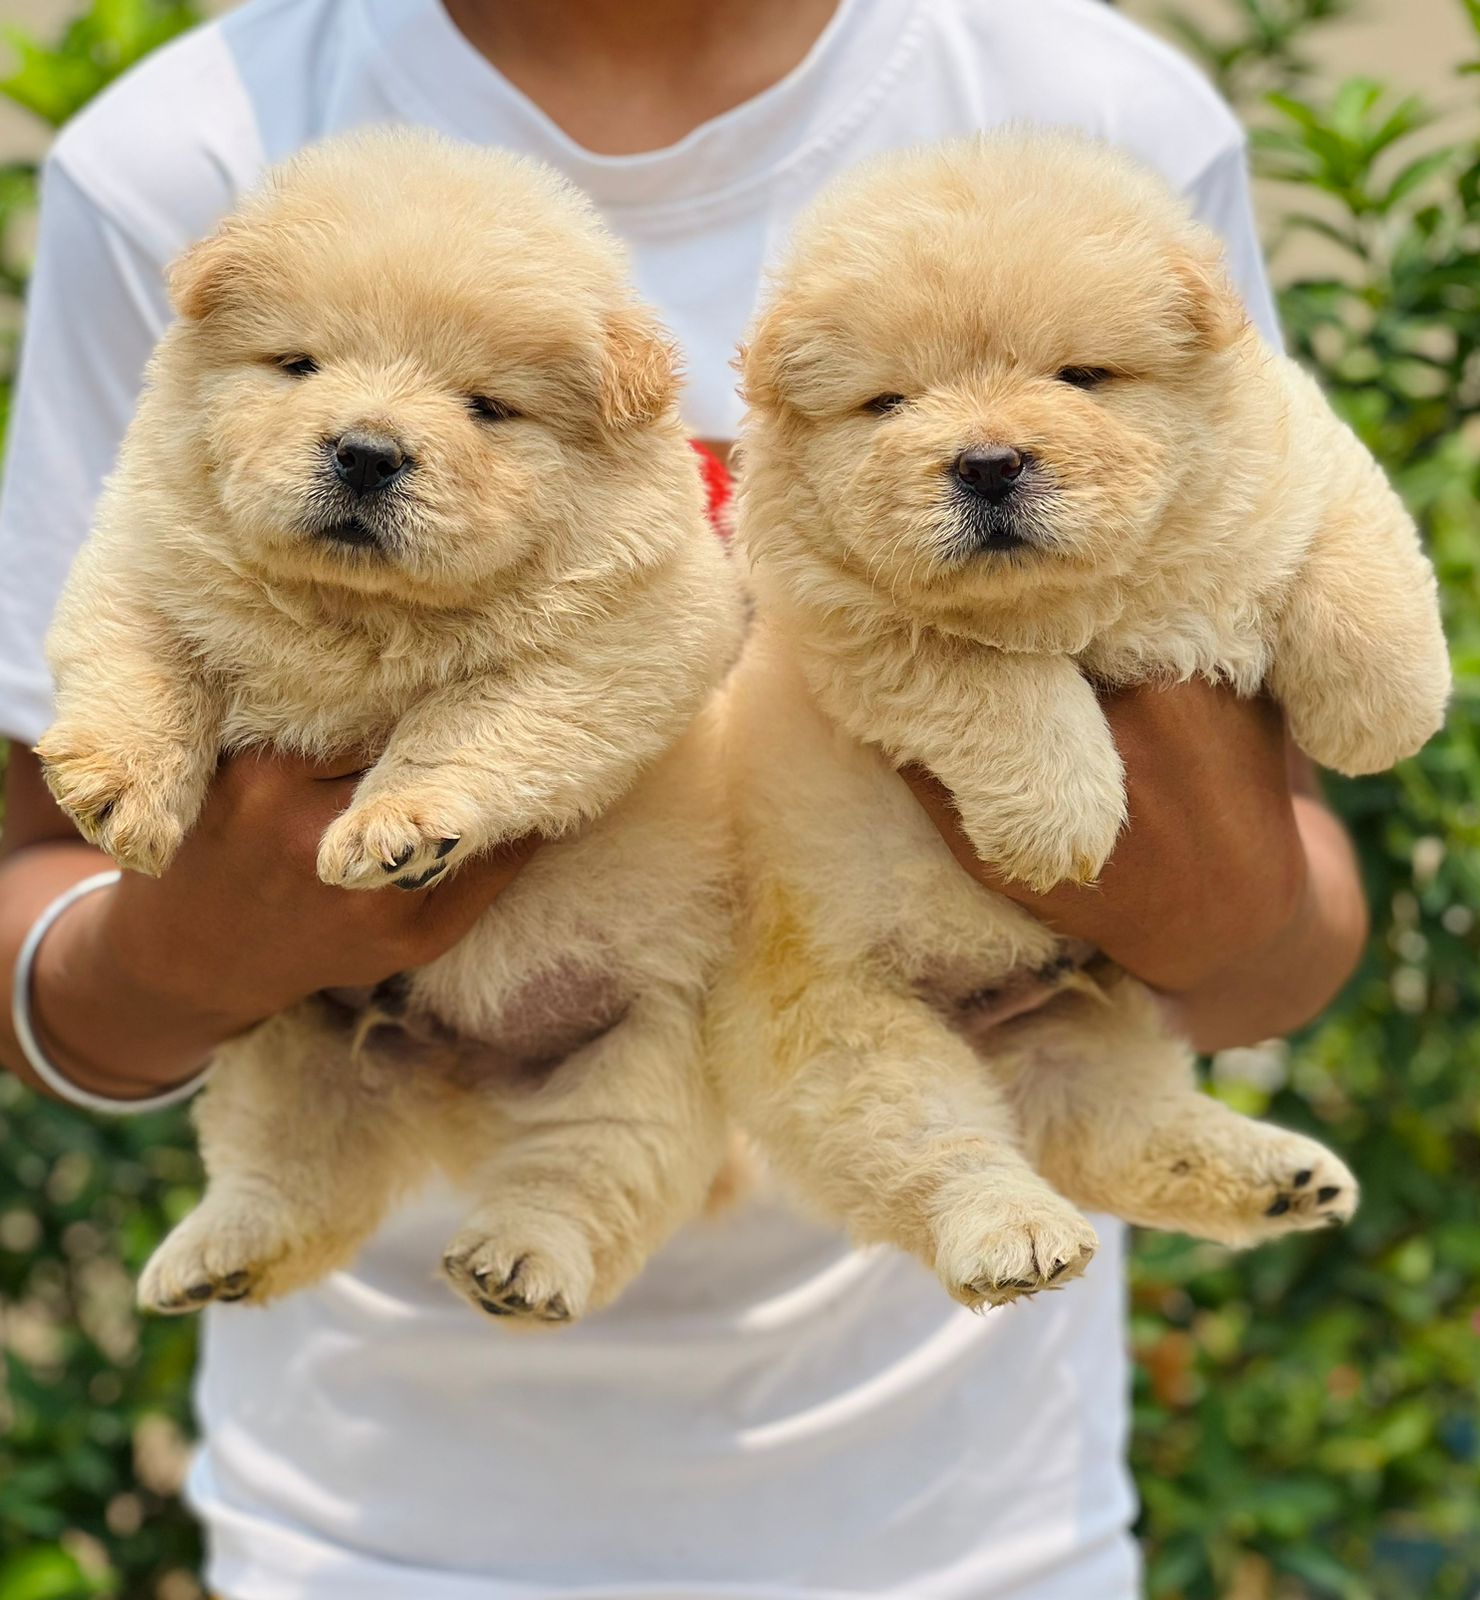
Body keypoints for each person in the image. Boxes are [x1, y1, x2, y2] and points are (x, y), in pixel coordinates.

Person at [0, 1, 1368, 1596]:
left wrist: (1148, 878)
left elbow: (1282, 898)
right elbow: (51, 856)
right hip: (365, 1523)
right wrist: (195, 951)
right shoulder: (190, 153)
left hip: (970, 1519)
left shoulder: (1087, 110)